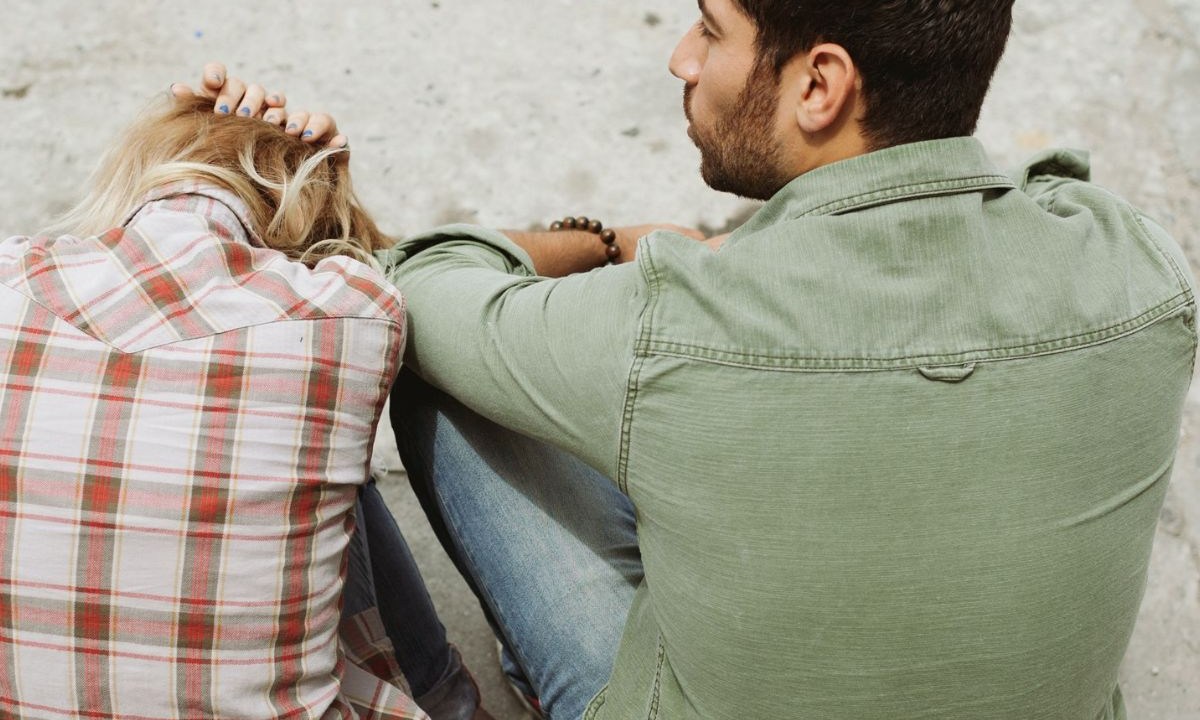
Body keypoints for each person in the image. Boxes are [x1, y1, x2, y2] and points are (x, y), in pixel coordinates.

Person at [204, 0, 1195, 716]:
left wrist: (610, 241)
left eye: (711, 28)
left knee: (450, 375)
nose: (682, 57)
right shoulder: (1144, 270)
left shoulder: (677, 318)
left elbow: (415, 284)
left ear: (819, 85)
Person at [0, 93, 493, 720]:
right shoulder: (349, 316)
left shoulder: (10, 278)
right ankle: (452, 701)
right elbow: (392, 272)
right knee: (317, 463)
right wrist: (319, 169)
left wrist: (193, 136)